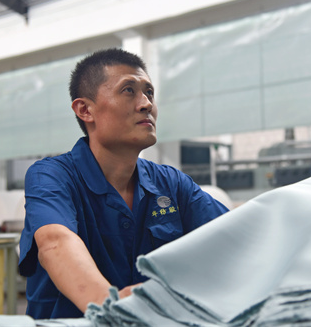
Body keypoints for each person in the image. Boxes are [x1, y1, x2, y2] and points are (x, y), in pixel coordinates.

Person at [18, 48, 229, 319]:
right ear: (85, 110)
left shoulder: (171, 184)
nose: (146, 104)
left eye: (149, 92)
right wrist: (114, 309)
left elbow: (232, 235)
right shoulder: (52, 177)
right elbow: (56, 243)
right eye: (128, 90)